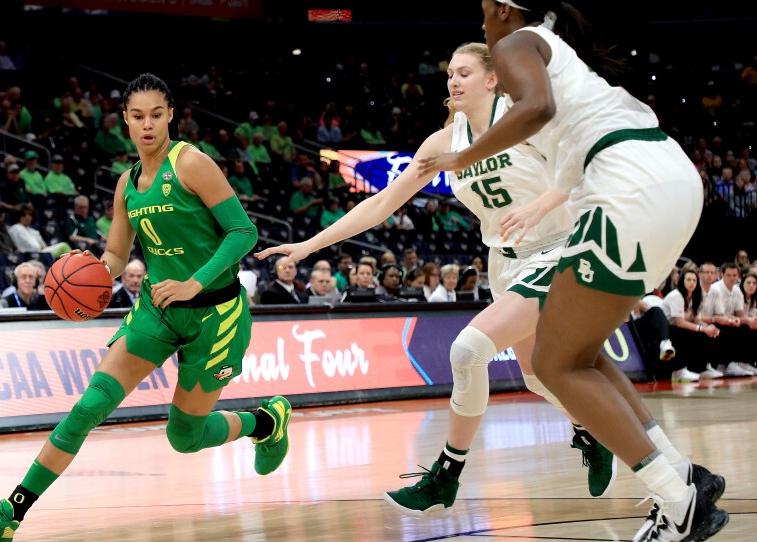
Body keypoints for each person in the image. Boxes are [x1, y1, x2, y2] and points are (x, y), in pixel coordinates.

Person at [256, 41, 627, 515]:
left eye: (465, 72)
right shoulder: (442, 143)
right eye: (450, 72)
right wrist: (309, 245)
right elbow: (381, 204)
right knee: (538, 378)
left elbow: (581, 164)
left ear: (493, 79)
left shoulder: (522, 116)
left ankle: (445, 477)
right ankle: (592, 433)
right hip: (506, 260)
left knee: (468, 350)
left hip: (559, 249)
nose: (453, 80)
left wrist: (539, 206)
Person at [414, 4, 727, 541]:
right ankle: (684, 476)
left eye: (488, 13)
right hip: (668, 175)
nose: (485, 27)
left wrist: (462, 159)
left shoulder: (517, 44)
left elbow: (535, 107)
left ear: (507, 12)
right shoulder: (562, 53)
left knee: (552, 365)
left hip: (624, 184)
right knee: (581, 358)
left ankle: (678, 505)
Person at [0, 73, 292, 542]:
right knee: (87, 408)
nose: (148, 124)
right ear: (126, 122)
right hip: (156, 310)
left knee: (184, 438)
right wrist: (87, 274)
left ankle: (266, 421)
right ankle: (6, 515)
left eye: (157, 114)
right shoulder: (127, 184)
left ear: (171, 115)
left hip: (217, 315)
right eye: (138, 116)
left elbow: (244, 233)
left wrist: (195, 283)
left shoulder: (192, 163)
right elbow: (115, 258)